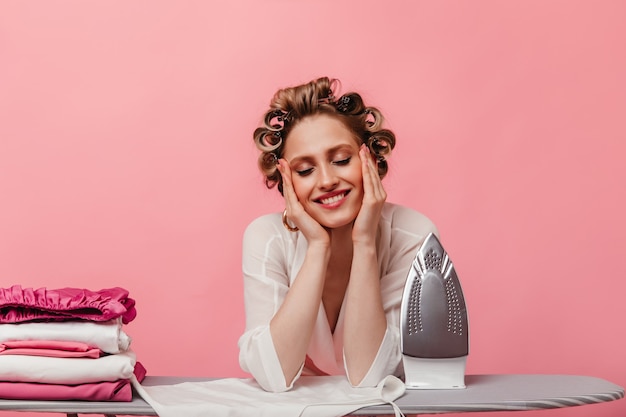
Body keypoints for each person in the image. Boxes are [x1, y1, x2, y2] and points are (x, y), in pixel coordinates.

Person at [238, 77, 438, 393]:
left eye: (341, 160)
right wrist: (318, 247)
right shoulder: (267, 237)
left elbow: (369, 376)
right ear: (285, 179)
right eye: (305, 170)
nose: (328, 180)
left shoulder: (412, 233)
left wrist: (364, 244)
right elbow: (272, 375)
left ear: (370, 158)